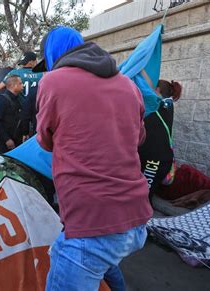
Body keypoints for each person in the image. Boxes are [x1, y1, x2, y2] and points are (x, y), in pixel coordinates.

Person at [34, 26, 152, 290]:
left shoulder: (53, 82)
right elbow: (138, 137)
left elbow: (44, 140)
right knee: (106, 263)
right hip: (136, 218)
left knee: (82, 257)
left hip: (91, 221)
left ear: (53, 53)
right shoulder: (128, 85)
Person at [139, 79, 182, 198]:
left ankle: (144, 215)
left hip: (155, 161)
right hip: (158, 159)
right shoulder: (165, 106)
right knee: (143, 193)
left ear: (157, 90)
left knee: (144, 195)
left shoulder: (162, 106)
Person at [0, 75, 23, 154]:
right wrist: (7, 139)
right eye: (20, 83)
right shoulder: (1, 100)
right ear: (13, 85)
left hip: (15, 140)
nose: (23, 85)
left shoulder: (17, 99)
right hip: (2, 143)